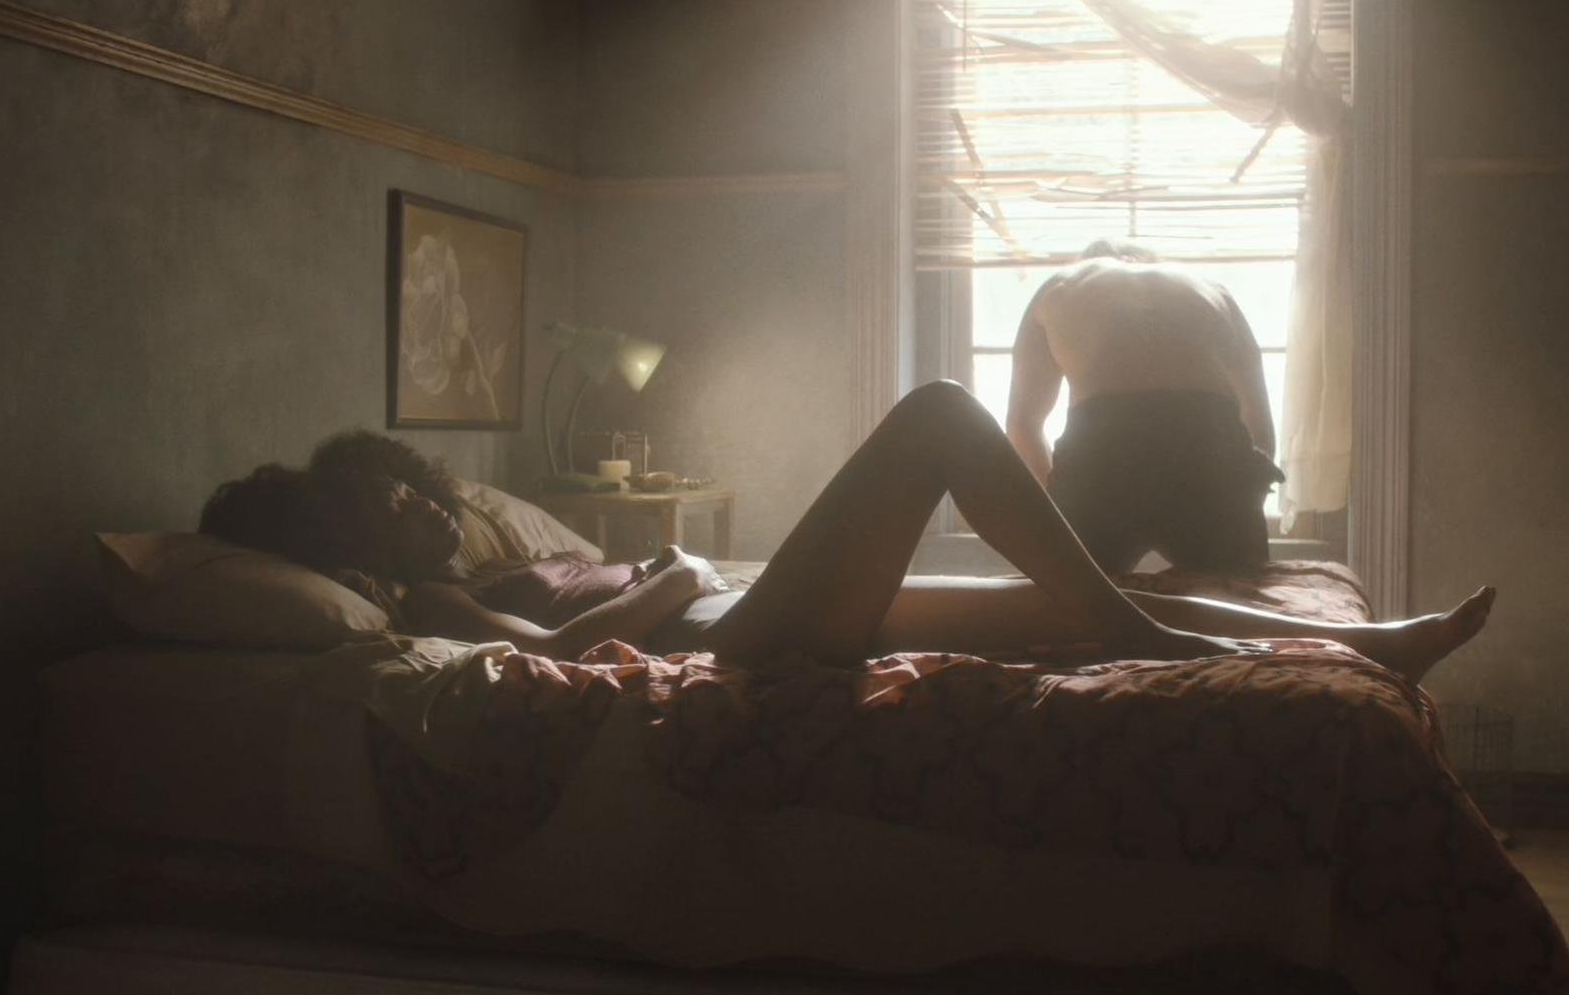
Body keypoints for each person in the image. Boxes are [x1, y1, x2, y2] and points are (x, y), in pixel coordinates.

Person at [202, 381, 1492, 686]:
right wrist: (673, 575)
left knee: (1070, 603)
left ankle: (1371, 643)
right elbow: (553, 664)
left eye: (414, 485)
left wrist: (671, 578)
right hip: (721, 635)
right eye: (391, 506)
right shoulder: (418, 609)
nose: (426, 502)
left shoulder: (495, 545)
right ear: (352, 545)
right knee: (935, 416)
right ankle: (1146, 626)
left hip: (730, 605)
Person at [1005, 239, 1284, 573]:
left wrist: (1058, 509)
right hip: (1208, 444)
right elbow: (1260, 428)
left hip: (1102, 451)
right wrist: (1242, 506)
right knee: (1240, 590)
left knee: (1071, 595)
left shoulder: (1061, 285)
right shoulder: (1211, 290)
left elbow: (1022, 425)